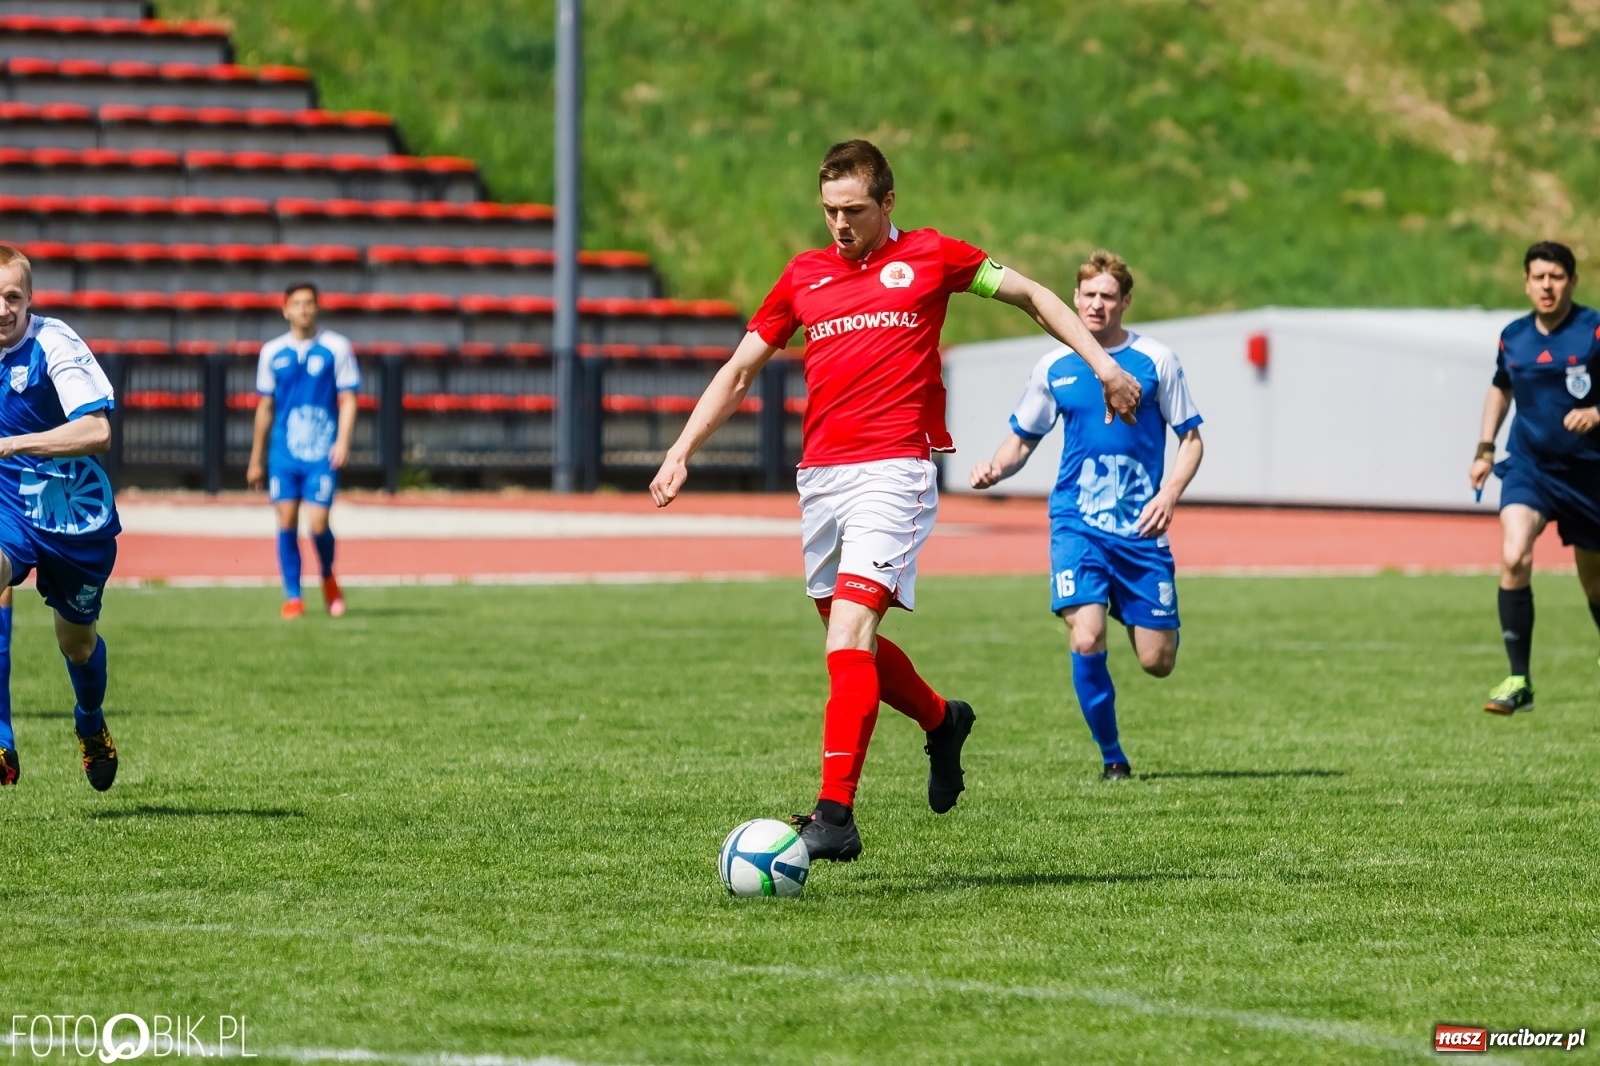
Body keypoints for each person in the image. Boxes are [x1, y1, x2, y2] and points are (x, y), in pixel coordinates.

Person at [649, 140, 1142, 861]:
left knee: (846, 636)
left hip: (896, 471)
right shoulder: (803, 276)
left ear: (888, 204)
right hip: (821, 476)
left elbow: (1035, 297)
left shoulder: (935, 257)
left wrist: (1101, 365)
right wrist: (680, 448)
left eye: (853, 210)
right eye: (828, 211)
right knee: (848, 639)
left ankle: (834, 816)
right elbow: (741, 370)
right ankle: (943, 721)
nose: (839, 225)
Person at [969, 251, 1204, 780]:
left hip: (1141, 529)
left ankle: (1126, 603)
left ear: (1125, 302)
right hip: (1078, 524)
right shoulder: (1054, 366)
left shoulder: (1157, 360)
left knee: (1157, 661)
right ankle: (1112, 758)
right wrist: (995, 468)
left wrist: (1169, 494)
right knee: (1085, 637)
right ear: (1074, 300)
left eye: (1107, 296)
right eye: (1088, 295)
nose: (1096, 304)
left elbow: (1191, 440)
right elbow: (1023, 439)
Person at [0, 244, 124, 790]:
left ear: (29, 300)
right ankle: (2, 736)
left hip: (72, 516)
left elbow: (97, 431)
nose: (2, 308)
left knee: (77, 644)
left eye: (12, 296)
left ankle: (89, 721)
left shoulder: (52, 340)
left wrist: (13, 445)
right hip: (7, 508)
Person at [1469, 241, 1600, 714]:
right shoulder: (1513, 336)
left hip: (1590, 475)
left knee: (1596, 587)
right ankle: (1518, 679)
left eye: (1557, 276)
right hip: (1531, 467)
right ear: (1525, 282)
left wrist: (1597, 411)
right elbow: (1501, 386)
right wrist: (1485, 449)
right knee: (1514, 554)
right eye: (1538, 277)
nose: (1547, 286)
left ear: (1572, 281)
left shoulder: (1595, 329)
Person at [246, 283, 359, 620]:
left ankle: (327, 575)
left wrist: (343, 441)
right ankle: (293, 595)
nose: (304, 309)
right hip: (284, 452)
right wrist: (256, 458)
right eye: (297, 304)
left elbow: (349, 398)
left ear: (317, 307)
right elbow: (265, 407)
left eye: (309, 303)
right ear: (286, 309)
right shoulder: (272, 352)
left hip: (321, 451)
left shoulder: (336, 347)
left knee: (319, 522)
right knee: (286, 520)